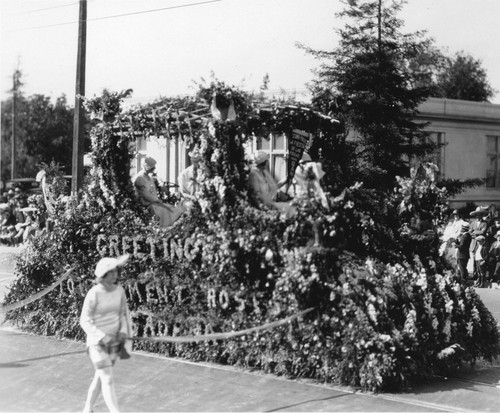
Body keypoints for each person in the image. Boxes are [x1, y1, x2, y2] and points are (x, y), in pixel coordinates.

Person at [80, 255, 132, 413]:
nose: (115, 274)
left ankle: (87, 409)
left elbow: (123, 314)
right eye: (111, 272)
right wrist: (103, 337)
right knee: (107, 378)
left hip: (114, 343)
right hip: (97, 344)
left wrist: (123, 332)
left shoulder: (120, 291)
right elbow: (85, 321)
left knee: (101, 376)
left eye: (116, 271)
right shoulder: (94, 293)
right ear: (103, 274)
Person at [133, 157, 183, 228]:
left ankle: (171, 226)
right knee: (165, 210)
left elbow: (153, 188)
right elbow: (145, 194)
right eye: (152, 167)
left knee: (172, 209)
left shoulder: (149, 177)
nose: (154, 168)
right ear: (147, 167)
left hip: (153, 202)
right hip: (146, 204)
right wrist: (157, 200)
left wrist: (161, 186)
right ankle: (164, 227)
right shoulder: (140, 178)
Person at [248, 151, 292, 215]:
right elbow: (255, 195)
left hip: (270, 204)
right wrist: (265, 208)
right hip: (263, 207)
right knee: (288, 209)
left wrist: (286, 179)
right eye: (267, 160)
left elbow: (273, 187)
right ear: (264, 162)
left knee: (290, 206)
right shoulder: (254, 175)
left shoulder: (265, 172)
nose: (268, 162)